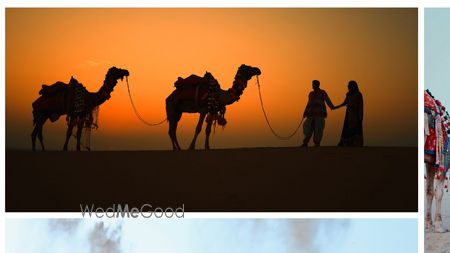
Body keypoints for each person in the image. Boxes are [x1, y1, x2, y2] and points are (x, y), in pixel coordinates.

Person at [301, 80, 336, 147]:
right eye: (312, 84)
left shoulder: (323, 93)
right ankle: (305, 143)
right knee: (308, 129)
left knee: (318, 129)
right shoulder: (311, 94)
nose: (313, 85)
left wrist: (332, 107)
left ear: (318, 85)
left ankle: (317, 143)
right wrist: (305, 112)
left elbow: (327, 100)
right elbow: (308, 104)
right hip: (311, 114)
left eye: (314, 84)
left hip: (320, 114)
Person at [334, 80, 364, 146]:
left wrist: (360, 116)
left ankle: (356, 143)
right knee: (347, 128)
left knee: (356, 128)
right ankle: (347, 142)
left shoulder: (358, 94)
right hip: (349, 113)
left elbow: (360, 106)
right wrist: (336, 107)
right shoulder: (348, 94)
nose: (348, 87)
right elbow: (344, 103)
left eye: (349, 86)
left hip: (356, 114)